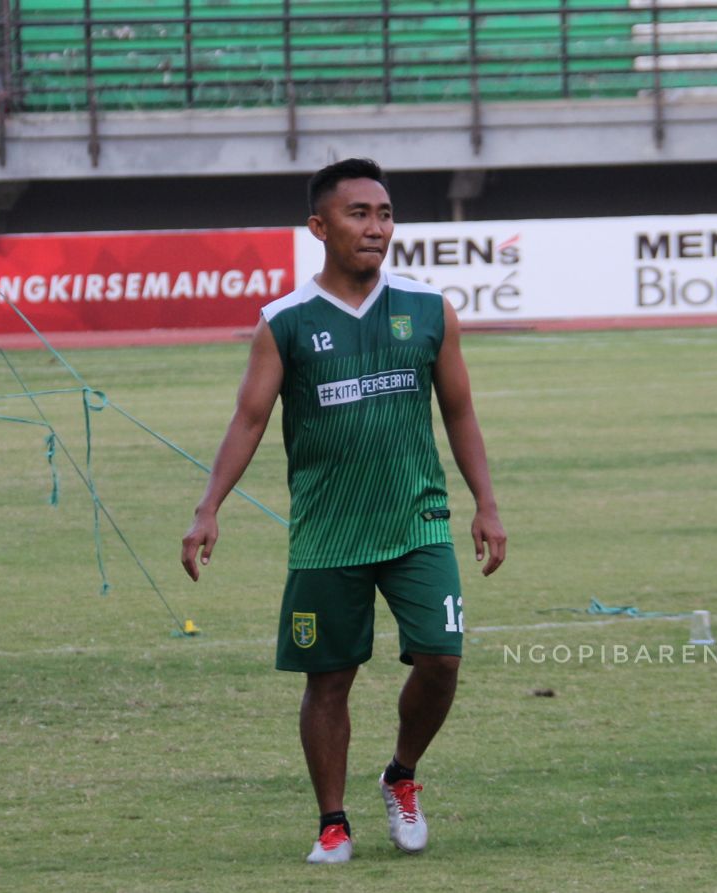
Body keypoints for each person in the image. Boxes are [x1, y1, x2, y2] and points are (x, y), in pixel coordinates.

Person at [180, 157, 507, 864]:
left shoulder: (428, 309)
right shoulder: (285, 322)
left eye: (385, 213)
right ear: (319, 226)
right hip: (327, 533)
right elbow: (248, 420)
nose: (377, 227)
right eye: (359, 213)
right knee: (328, 680)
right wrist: (208, 508)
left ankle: (401, 773)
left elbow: (460, 411)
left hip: (416, 521)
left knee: (443, 658)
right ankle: (333, 821)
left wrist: (486, 503)